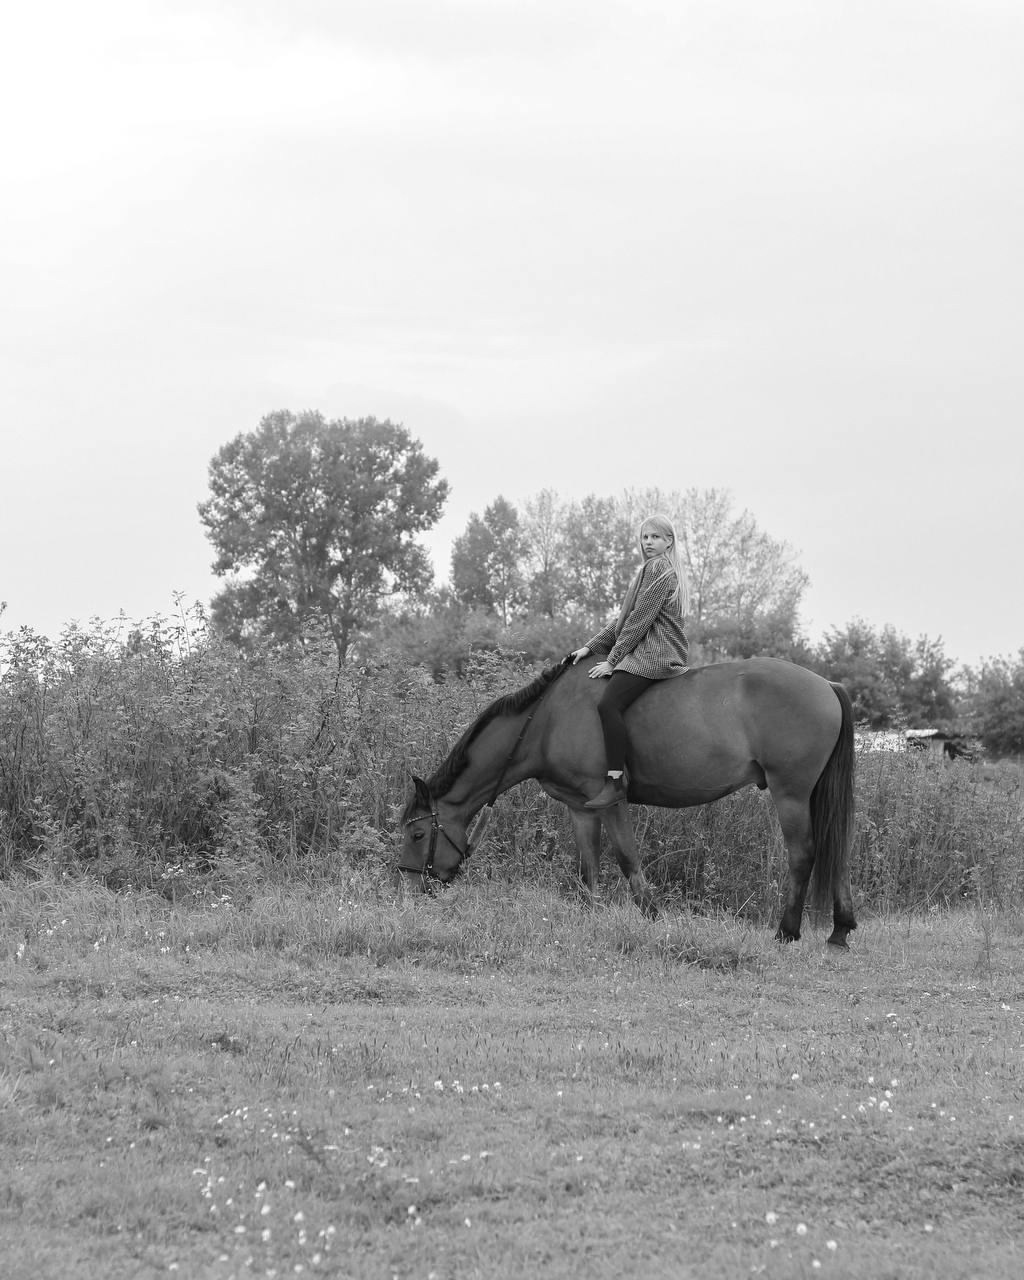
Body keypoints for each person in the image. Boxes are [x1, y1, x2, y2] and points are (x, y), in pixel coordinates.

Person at [570, 514, 690, 808]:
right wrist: (590, 647)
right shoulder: (656, 569)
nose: (648, 542)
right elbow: (624, 618)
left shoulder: (658, 569)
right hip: (652, 649)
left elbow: (639, 620)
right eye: (645, 537)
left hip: (655, 653)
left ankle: (614, 782)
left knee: (608, 705)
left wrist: (612, 660)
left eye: (656, 537)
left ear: (669, 541)